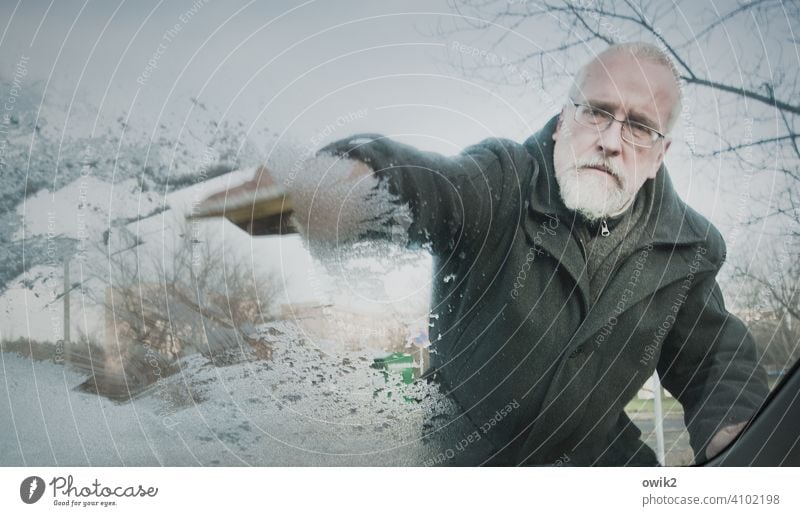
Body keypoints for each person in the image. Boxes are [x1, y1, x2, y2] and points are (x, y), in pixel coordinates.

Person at [203, 42, 769, 465]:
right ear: (563, 121)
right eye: (596, 111)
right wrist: (346, 191)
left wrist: (741, 445)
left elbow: (714, 362)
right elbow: (435, 189)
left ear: (661, 153)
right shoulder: (502, 182)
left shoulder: (685, 249)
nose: (610, 138)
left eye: (639, 126)